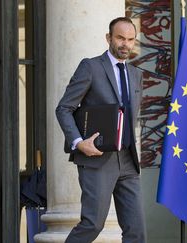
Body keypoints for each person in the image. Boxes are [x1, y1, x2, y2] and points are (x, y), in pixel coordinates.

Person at [55, 17, 146, 243]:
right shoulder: (91, 67)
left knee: (136, 230)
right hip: (96, 158)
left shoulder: (136, 75)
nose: (125, 44)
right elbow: (64, 108)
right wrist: (78, 142)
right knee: (92, 224)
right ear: (109, 38)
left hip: (127, 159)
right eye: (120, 38)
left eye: (130, 39)